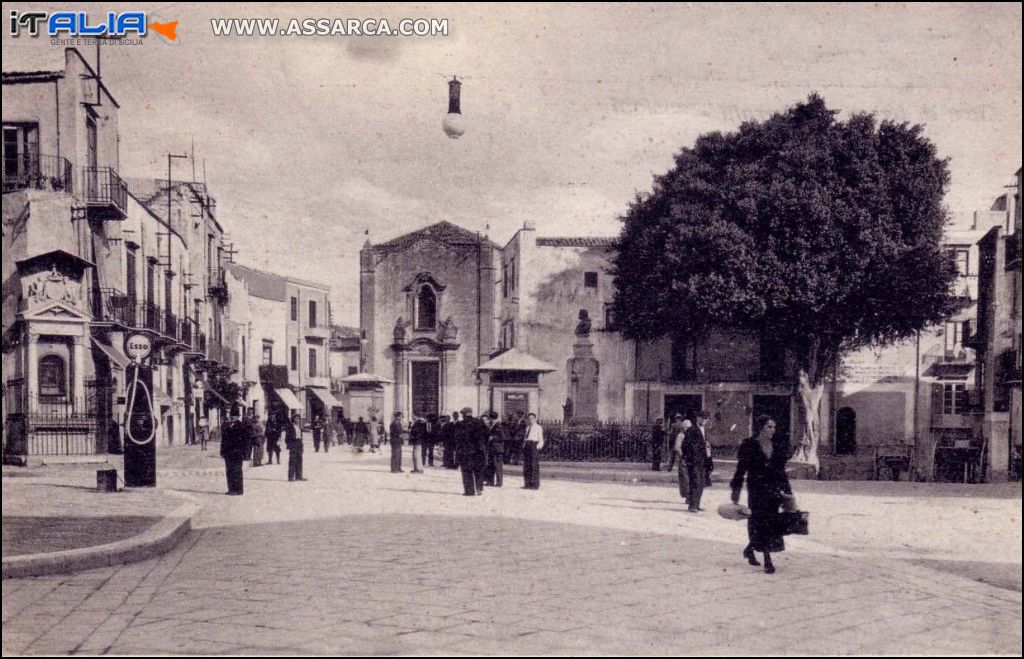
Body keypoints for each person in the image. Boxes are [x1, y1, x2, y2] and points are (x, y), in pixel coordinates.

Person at [730, 415, 792, 574]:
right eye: (769, 427)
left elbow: (781, 471)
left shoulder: (777, 446)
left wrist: (788, 493)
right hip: (756, 490)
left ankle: (749, 549)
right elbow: (741, 469)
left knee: (770, 523)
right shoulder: (749, 445)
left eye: (774, 427)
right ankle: (767, 560)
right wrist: (736, 489)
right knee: (761, 522)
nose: (773, 430)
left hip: (773, 490)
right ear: (761, 428)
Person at [455, 407, 487, 496]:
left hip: (466, 451)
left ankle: (469, 491)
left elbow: (458, 438)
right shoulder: (480, 422)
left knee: (467, 471)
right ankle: (479, 488)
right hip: (479, 451)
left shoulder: (461, 424)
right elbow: (487, 434)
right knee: (479, 470)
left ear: (464, 414)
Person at [682, 411, 710, 512]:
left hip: (703, 461)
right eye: (701, 417)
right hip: (693, 461)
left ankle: (697, 505)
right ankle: (692, 506)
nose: (703, 419)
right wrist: (688, 458)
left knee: (701, 483)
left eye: (705, 418)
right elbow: (685, 445)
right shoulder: (691, 430)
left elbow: (706, 445)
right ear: (697, 418)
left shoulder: (705, 430)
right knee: (695, 482)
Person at [220, 408, 249, 495]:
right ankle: (231, 489)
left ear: (238, 416)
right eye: (232, 416)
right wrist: (222, 450)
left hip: (237, 452)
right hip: (228, 452)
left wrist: (244, 452)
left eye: (235, 416)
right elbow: (224, 440)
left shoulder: (242, 426)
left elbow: (245, 440)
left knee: (237, 471)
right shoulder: (227, 426)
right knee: (229, 471)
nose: (232, 417)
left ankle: (239, 490)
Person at [522, 412, 545, 490]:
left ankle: (535, 485)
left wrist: (537, 448)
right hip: (527, 446)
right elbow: (525, 438)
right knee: (526, 466)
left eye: (532, 418)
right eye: (529, 419)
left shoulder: (538, 427)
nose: (530, 420)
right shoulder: (527, 428)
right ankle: (527, 484)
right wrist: (524, 446)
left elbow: (541, 440)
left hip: (533, 445)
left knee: (534, 466)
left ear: (535, 419)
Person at [485, 411, 508, 487]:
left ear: (492, 418)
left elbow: (503, 437)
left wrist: (493, 438)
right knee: (491, 465)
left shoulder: (499, 426)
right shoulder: (494, 425)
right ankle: (490, 481)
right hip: (492, 449)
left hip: (497, 449)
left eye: (490, 418)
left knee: (498, 466)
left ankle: (499, 482)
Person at [673, 419, 692, 504]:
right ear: (683, 428)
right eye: (686, 427)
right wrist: (683, 456)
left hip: (691, 460)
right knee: (685, 479)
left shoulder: (692, 436)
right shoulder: (680, 436)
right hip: (684, 459)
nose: (687, 429)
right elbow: (677, 447)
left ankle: (691, 496)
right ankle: (688, 496)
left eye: (689, 427)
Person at [285, 412, 307, 482]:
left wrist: (301, 445)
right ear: (293, 419)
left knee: (299, 460)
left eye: (298, 419)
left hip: (299, 443)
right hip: (293, 444)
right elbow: (287, 438)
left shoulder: (298, 427)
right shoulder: (290, 427)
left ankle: (299, 476)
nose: (297, 420)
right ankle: (291, 477)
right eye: (296, 419)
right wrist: (290, 445)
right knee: (292, 461)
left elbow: (300, 436)